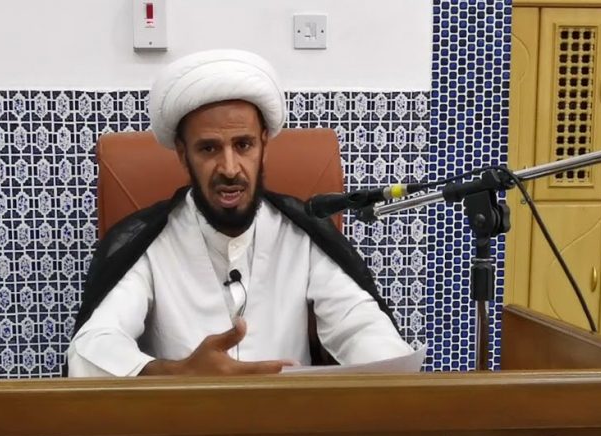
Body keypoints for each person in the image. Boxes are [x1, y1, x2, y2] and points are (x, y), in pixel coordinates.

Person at [67, 49, 413, 377]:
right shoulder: (149, 243)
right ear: (183, 155)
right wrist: (177, 374)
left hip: (289, 417)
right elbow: (90, 350)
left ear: (264, 145)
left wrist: (399, 379)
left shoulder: (301, 233)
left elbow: (358, 324)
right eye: (209, 148)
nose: (230, 168)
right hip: (186, 416)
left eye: (243, 145)